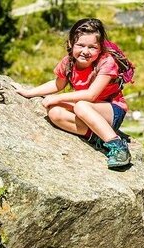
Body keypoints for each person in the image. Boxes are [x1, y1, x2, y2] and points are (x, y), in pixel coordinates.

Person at [16, 17, 132, 170]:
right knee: (55, 113)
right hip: (88, 108)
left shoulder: (107, 63)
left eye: (92, 47)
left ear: (101, 48)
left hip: (111, 110)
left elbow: (91, 95)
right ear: (71, 43)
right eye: (80, 45)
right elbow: (58, 84)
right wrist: (29, 92)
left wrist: (57, 98)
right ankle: (96, 137)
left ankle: (118, 147)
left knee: (81, 106)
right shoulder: (68, 62)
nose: (85, 51)